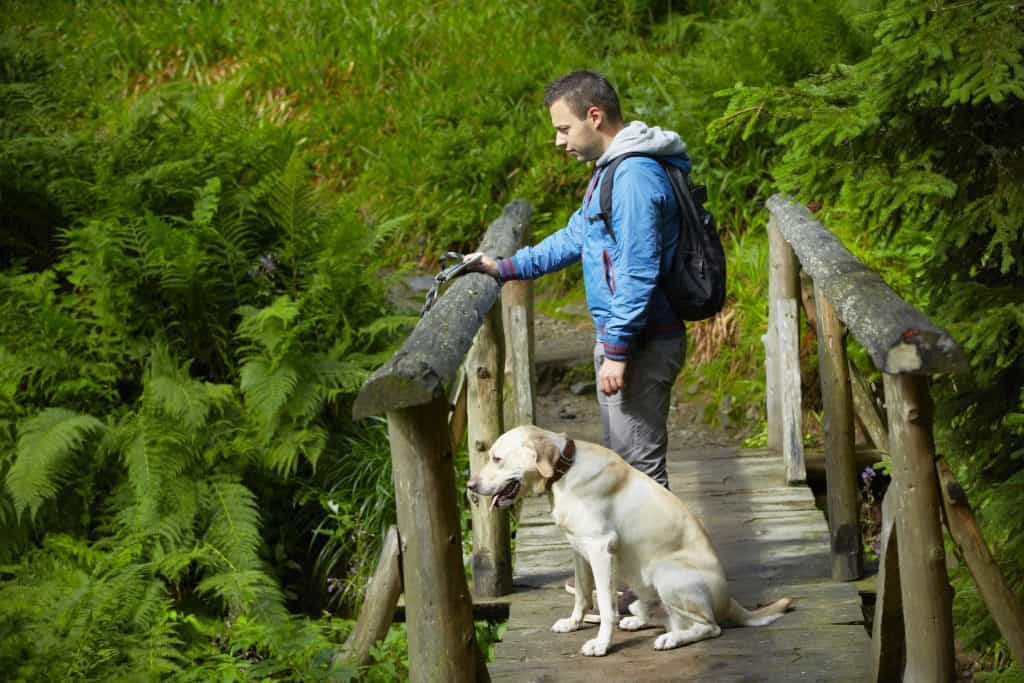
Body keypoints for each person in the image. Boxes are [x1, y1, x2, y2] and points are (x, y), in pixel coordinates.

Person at [465, 70, 690, 490]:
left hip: (642, 340)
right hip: (629, 338)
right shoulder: (611, 171)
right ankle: (638, 556)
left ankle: (661, 556)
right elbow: (575, 237)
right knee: (627, 464)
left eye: (564, 129)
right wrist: (504, 268)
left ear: (595, 116)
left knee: (639, 473)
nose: (559, 141)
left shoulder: (634, 177)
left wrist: (618, 350)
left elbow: (639, 270)